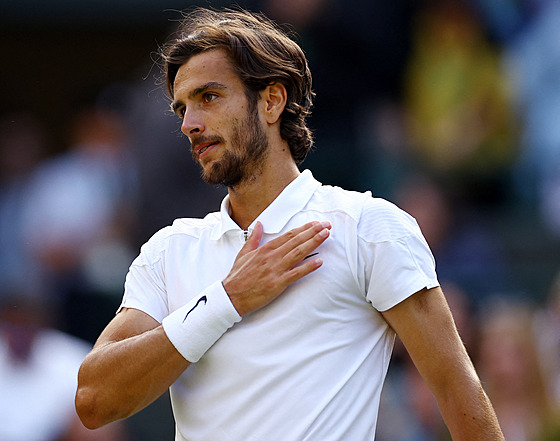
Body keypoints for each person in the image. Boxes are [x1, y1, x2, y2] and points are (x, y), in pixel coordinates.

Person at [75, 8, 505, 441]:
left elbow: (456, 390)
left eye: (208, 97)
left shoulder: (369, 228)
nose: (189, 124)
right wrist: (227, 300)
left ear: (272, 101)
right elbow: (93, 400)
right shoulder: (169, 251)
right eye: (182, 107)